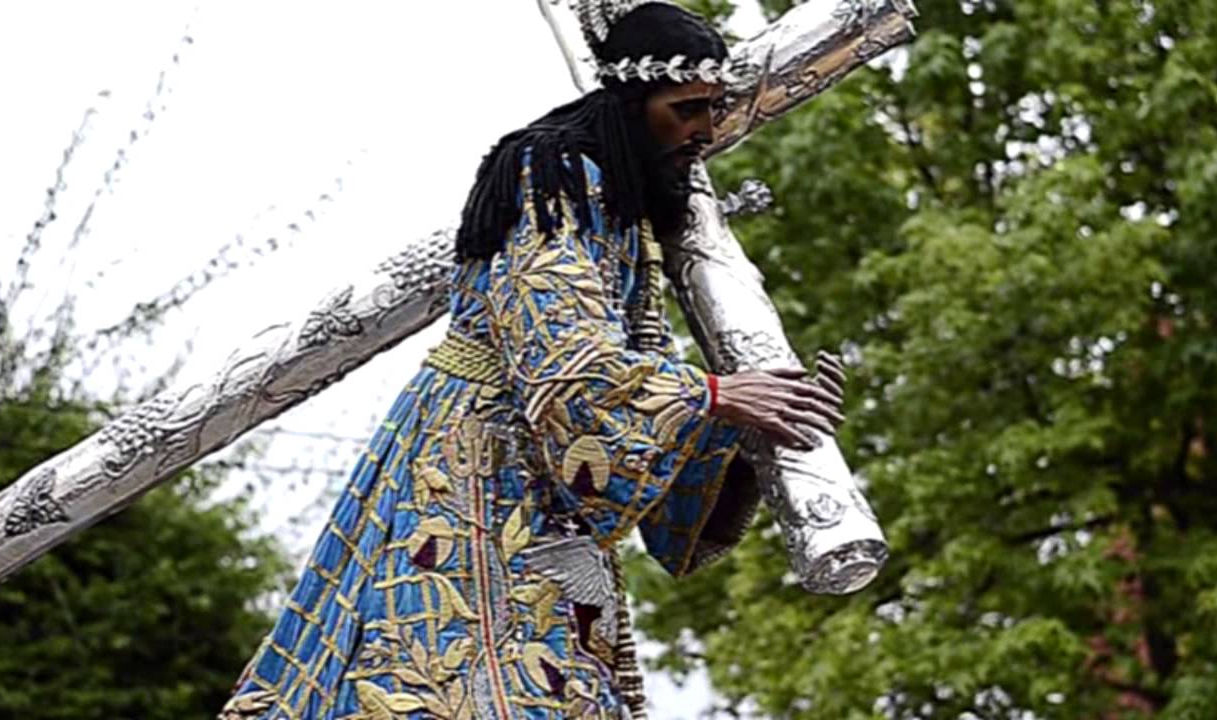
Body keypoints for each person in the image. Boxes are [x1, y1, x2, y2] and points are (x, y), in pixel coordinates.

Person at [221, 4, 845, 719]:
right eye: (687, 109)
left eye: (713, 109)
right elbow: (565, 362)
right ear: (634, 105)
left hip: (542, 494)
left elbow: (627, 372)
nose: (704, 131)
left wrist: (750, 428)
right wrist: (712, 398)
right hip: (473, 465)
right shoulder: (551, 173)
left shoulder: (624, 208)